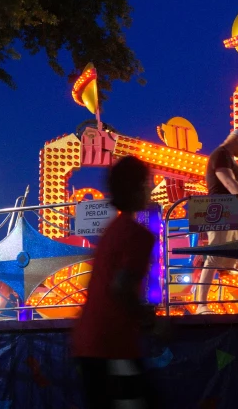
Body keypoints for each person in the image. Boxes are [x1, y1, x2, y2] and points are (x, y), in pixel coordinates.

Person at [71, 156, 160, 408]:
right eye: (148, 182)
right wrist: (152, 321)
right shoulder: (137, 235)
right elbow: (121, 287)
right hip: (112, 344)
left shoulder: (112, 231)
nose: (151, 188)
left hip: (90, 342)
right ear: (138, 187)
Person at [194, 128, 238, 314]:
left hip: (228, 210)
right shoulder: (221, 154)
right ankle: (201, 304)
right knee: (214, 256)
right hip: (220, 208)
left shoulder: (225, 155)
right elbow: (228, 182)